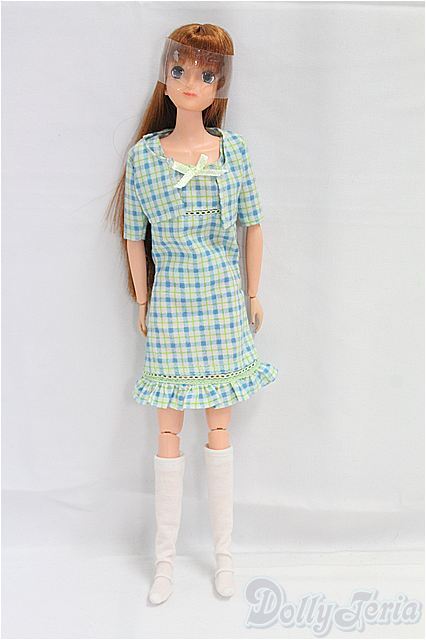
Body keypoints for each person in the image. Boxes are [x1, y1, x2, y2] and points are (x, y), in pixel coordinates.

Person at [107, 22, 278, 605]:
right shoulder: (144, 158)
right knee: (169, 429)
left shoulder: (234, 152)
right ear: (165, 74)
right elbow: (134, 236)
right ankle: (164, 562)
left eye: (205, 74)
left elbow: (254, 225)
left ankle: (225, 555)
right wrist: (143, 299)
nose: (190, 83)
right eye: (179, 69)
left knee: (219, 427)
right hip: (172, 306)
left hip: (225, 304)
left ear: (219, 86)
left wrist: (253, 293)